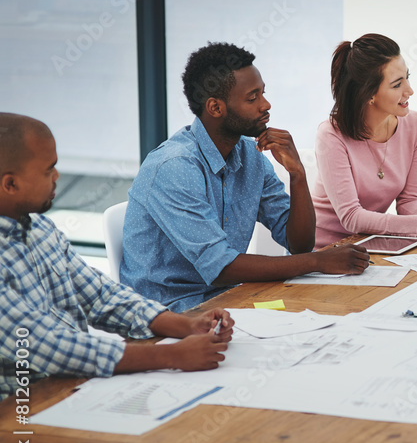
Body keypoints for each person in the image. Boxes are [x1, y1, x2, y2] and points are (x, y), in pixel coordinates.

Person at [121, 42, 370, 313]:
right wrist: (318, 262)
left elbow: (299, 243)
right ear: (215, 108)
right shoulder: (175, 167)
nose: (266, 105)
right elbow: (221, 268)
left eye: (263, 93)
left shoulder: (250, 156)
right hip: (167, 312)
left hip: (229, 299)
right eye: (252, 98)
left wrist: (297, 174)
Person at [0, 113, 232, 399]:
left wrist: (186, 325)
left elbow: (101, 297)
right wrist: (172, 356)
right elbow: (45, 345)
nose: (58, 177)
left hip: (73, 387)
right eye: (49, 170)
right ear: (10, 184)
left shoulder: (39, 229)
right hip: (21, 410)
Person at [312, 33, 417, 247]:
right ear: (369, 94)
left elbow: (409, 201)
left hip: (372, 245)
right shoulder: (331, 135)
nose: (410, 90)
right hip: (326, 252)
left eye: (408, 77)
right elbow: (351, 217)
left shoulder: (415, 125)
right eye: (397, 85)